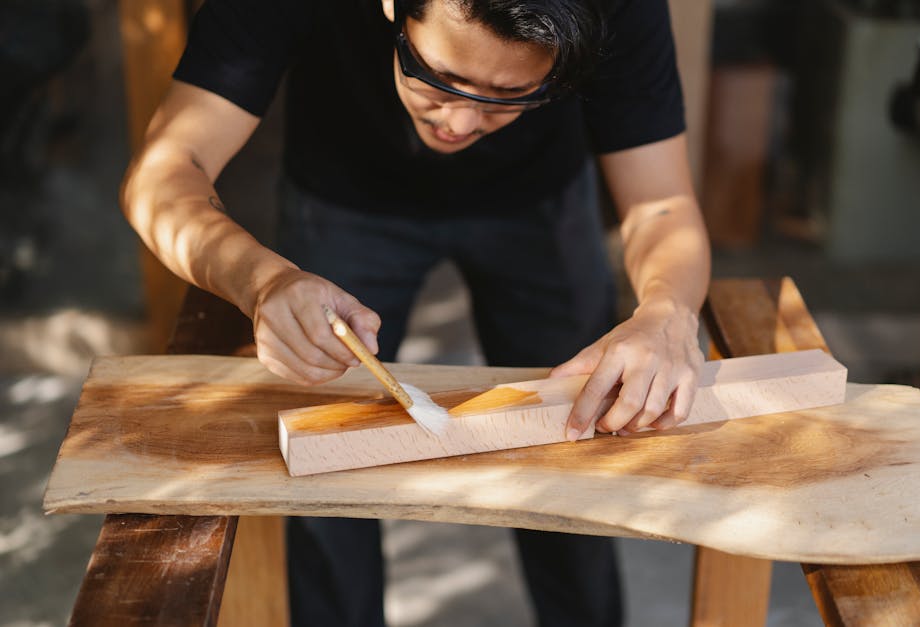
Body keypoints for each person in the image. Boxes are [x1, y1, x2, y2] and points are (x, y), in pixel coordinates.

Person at [120, 0, 711, 624]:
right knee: (326, 457)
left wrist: (669, 315)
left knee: (578, 436)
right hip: (344, 192)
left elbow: (663, 203)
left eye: (508, 94)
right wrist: (263, 282)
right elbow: (161, 176)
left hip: (538, 200)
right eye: (437, 78)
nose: (458, 121)